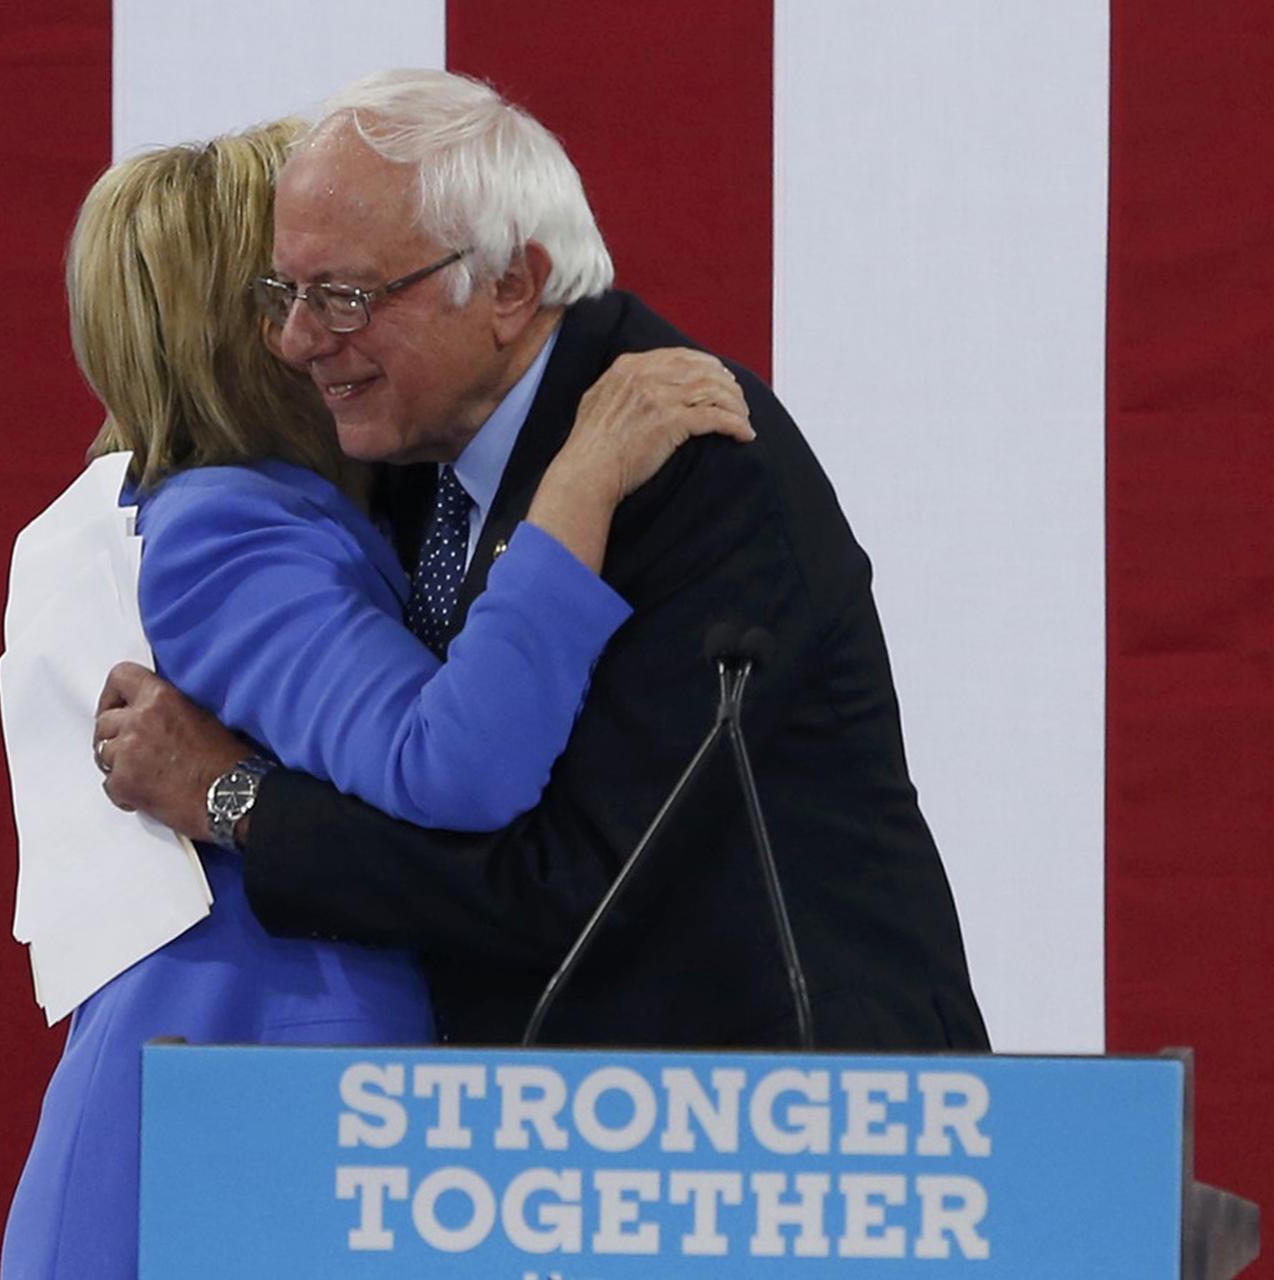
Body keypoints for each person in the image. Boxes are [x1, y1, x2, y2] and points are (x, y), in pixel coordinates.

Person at [99, 69, 990, 1053]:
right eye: (286, 292)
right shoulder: (409, 444)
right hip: (572, 1122)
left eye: (343, 297)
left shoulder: (682, 459)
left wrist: (238, 799)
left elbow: (569, 882)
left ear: (508, 285)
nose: (299, 340)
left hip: (804, 1118)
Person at [1, 121, 749, 1278]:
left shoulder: (216, 508)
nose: (327, 319)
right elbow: (447, 761)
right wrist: (581, 481)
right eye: (304, 285)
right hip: (259, 1073)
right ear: (250, 330)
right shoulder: (233, 523)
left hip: (256, 1074)